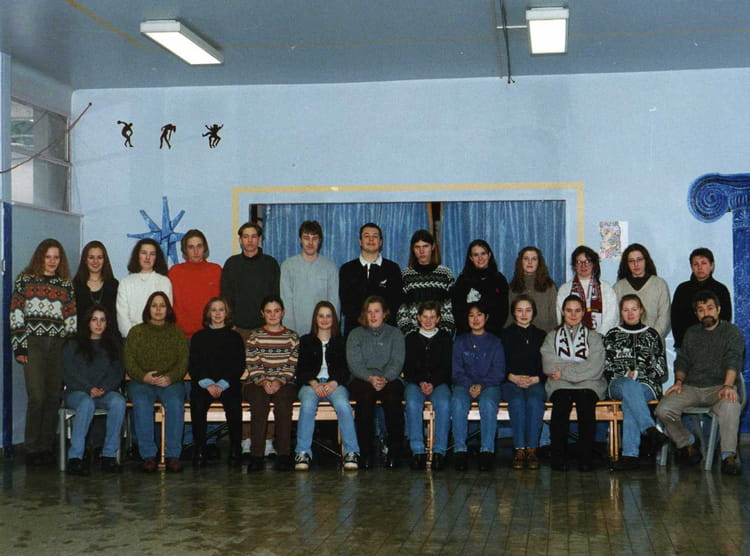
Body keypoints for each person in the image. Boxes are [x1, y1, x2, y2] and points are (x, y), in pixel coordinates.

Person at [655, 290, 745, 475]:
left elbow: (733, 360)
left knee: (731, 405)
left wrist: (728, 386)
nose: (706, 313)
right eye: (701, 310)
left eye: (710, 308)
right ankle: (687, 443)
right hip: (692, 387)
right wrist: (678, 382)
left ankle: (728, 456)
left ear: (718, 309)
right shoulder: (691, 333)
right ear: (696, 314)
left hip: (720, 387)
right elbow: (683, 361)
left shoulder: (731, 331)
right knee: (663, 409)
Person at [10, 238, 77, 466]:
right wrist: (19, 345)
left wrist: (70, 348)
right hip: (33, 343)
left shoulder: (65, 285)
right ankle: (31, 447)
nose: (52, 261)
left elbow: (71, 318)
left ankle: (46, 447)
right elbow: (16, 313)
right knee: (37, 396)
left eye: (56, 257)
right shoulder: (25, 280)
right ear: (40, 257)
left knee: (53, 396)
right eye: (48, 256)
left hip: (58, 345)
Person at [125, 291, 188, 473]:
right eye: (154, 305)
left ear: (168, 309)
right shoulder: (136, 332)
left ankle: (173, 455)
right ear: (148, 309)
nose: (158, 309)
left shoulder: (176, 333)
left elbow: (183, 362)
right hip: (141, 381)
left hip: (170, 382)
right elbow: (129, 361)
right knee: (142, 402)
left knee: (175, 403)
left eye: (162, 306)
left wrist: (170, 377)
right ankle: (148, 456)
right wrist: (143, 376)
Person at [542, 295, 606, 471]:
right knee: (561, 403)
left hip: (588, 384)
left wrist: (564, 371)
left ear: (583, 312)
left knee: (586, 403)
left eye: (577, 310)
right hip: (561, 385)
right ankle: (558, 457)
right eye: (569, 310)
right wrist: (579, 368)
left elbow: (595, 367)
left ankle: (586, 458)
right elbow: (548, 364)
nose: (573, 314)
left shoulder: (594, 337)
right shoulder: (552, 337)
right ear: (562, 312)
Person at [604, 294, 668, 471]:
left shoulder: (652, 335)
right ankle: (650, 429)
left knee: (631, 399)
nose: (630, 313)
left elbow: (661, 369)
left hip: (647, 385)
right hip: (618, 384)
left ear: (641, 310)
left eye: (634, 309)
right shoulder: (612, 335)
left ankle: (630, 456)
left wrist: (639, 374)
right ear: (621, 312)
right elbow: (606, 367)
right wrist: (625, 374)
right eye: (626, 310)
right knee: (629, 387)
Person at [294, 301, 359, 471]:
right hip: (310, 384)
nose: (324, 320)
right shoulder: (306, 340)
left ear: (334, 319)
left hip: (335, 384)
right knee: (307, 405)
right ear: (315, 319)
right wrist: (314, 383)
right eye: (321, 316)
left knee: (343, 405)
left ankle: (351, 452)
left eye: (328, 316)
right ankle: (302, 452)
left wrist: (334, 382)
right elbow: (301, 369)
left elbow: (346, 369)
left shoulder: (342, 341)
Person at [62, 305, 126, 475]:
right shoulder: (73, 344)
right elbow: (68, 373)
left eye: (102, 320)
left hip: (104, 392)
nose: (98, 324)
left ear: (107, 323)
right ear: (88, 322)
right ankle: (75, 458)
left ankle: (108, 456)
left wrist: (104, 388)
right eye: (94, 320)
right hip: (77, 392)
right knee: (86, 403)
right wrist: (88, 388)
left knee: (119, 402)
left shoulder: (113, 346)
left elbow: (117, 372)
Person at [347, 296, 406, 469]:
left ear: (385, 313)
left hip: (390, 378)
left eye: (377, 311)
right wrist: (370, 378)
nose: (373, 316)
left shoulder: (395, 333)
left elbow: (397, 361)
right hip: (363, 378)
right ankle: (365, 453)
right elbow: (354, 363)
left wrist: (385, 378)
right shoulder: (355, 334)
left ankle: (394, 452)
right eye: (369, 312)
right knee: (365, 397)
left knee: (393, 396)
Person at [243, 296, 299, 472]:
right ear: (262, 314)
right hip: (257, 382)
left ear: (283, 312)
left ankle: (283, 455)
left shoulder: (292, 337)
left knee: (283, 404)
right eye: (268, 311)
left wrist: (279, 381)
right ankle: (257, 455)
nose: (273, 315)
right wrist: (263, 381)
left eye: (276, 311)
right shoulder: (254, 336)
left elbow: (291, 364)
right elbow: (253, 363)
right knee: (259, 404)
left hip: (285, 382)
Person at [188, 297, 245, 467]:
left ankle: (235, 449)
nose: (218, 313)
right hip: (204, 384)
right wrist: (208, 384)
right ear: (208, 313)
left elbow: (238, 365)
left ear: (227, 313)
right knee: (197, 404)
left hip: (228, 383)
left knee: (234, 405)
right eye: (214, 310)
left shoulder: (235, 337)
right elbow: (194, 365)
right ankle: (200, 448)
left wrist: (221, 384)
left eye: (221, 310)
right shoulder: (198, 337)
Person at [451, 302, 506, 471]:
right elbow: (456, 371)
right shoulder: (460, 341)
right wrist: (469, 385)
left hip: (489, 384)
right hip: (464, 384)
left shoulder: (495, 342)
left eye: (479, 315)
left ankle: (487, 451)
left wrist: (482, 385)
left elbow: (499, 372)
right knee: (458, 402)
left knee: (488, 403)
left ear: (486, 317)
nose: (475, 319)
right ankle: (460, 450)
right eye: (471, 315)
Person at [403, 301, 452, 471]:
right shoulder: (411, 338)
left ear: (438, 319)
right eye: (425, 316)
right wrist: (421, 382)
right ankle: (417, 451)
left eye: (432, 317)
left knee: (444, 404)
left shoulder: (445, 338)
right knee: (412, 403)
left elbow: (447, 366)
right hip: (416, 383)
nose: (428, 320)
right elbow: (408, 367)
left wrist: (433, 382)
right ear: (418, 318)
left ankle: (439, 451)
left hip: (439, 383)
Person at [501, 295, 547, 470]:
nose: (524, 314)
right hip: (511, 381)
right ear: (513, 313)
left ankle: (532, 449)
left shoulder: (542, 335)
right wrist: (511, 377)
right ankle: (519, 450)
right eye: (519, 310)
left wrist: (537, 378)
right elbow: (498, 364)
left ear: (533, 312)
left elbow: (548, 364)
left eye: (528, 310)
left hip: (536, 381)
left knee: (535, 401)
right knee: (517, 401)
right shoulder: (505, 335)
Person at [339, 223, 402, 335]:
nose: (371, 239)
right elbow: (346, 305)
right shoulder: (347, 269)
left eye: (375, 236)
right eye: (367, 236)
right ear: (360, 241)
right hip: (355, 332)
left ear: (381, 242)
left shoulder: (392, 268)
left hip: (385, 333)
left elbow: (395, 303)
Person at [221, 221, 281, 339]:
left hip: (265, 327)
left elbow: (275, 296)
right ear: (240, 240)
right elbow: (226, 296)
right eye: (246, 236)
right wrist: (229, 323)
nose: (250, 240)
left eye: (253, 236)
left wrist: (273, 323)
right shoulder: (231, 264)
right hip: (237, 329)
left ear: (260, 239)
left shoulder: (271, 264)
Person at [280, 220, 340, 335]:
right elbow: (286, 302)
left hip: (323, 332)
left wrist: (330, 333)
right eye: (306, 238)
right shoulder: (288, 266)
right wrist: (291, 334)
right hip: (295, 333)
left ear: (320, 241)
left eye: (315, 238)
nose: (310, 242)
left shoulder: (330, 267)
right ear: (300, 240)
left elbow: (334, 304)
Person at [671, 247, 732, 350]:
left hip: (714, 346)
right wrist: (683, 343)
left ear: (711, 265)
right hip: (686, 347)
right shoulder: (682, 289)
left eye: (703, 263)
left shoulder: (721, 289)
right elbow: (675, 320)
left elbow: (725, 318)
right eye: (695, 264)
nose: (699, 267)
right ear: (691, 267)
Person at [397, 229, 455, 337]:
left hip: (440, 337)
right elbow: (401, 311)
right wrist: (411, 335)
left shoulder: (445, 274)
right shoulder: (405, 275)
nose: (422, 251)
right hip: (413, 337)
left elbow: (451, 309)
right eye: (417, 247)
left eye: (425, 246)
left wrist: (443, 334)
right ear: (412, 249)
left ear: (433, 247)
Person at [168, 229, 222, 338]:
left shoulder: (216, 270)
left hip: (211, 334)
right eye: (191, 247)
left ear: (205, 248)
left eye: (199, 246)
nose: (196, 251)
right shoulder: (175, 272)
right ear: (185, 250)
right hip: (182, 336)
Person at [613, 243, 671, 340]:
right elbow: (615, 318)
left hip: (654, 342)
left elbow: (664, 318)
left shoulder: (660, 284)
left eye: (639, 259)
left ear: (646, 261)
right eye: (631, 261)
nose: (636, 264)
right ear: (626, 264)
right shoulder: (618, 287)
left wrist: (650, 338)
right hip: (626, 343)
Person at [453, 239, 509, 337]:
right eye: (476, 255)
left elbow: (503, 311)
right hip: (467, 335)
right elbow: (458, 310)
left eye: (483, 253)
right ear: (471, 258)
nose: (480, 258)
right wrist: (473, 331)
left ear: (489, 255)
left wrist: (487, 333)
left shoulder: (499, 280)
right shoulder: (462, 281)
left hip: (493, 335)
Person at [116, 238, 172, 338]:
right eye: (144, 253)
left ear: (156, 258)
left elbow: (166, 313)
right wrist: (134, 337)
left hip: (158, 338)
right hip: (131, 339)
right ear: (137, 255)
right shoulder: (125, 283)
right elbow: (122, 316)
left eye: (152, 254)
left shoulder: (164, 282)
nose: (147, 257)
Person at [556, 245, 618, 334]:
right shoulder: (564, 289)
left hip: (601, 338)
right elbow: (561, 316)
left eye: (587, 261)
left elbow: (611, 317)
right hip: (572, 337)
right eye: (579, 262)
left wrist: (597, 338)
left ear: (593, 264)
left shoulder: (606, 288)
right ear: (574, 266)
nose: (583, 265)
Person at [507, 246, 558, 333]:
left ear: (539, 262)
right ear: (520, 262)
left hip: (545, 335)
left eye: (534, 259)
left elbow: (554, 316)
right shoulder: (513, 287)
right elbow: (509, 317)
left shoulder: (549, 286)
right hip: (519, 336)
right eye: (526, 258)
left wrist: (553, 336)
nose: (530, 262)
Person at [73, 240, 119, 336]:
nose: (95, 262)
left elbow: (116, 318)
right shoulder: (75, 285)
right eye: (91, 257)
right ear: (85, 260)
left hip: (109, 340)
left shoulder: (113, 285)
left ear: (104, 260)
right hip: (81, 339)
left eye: (99, 257)